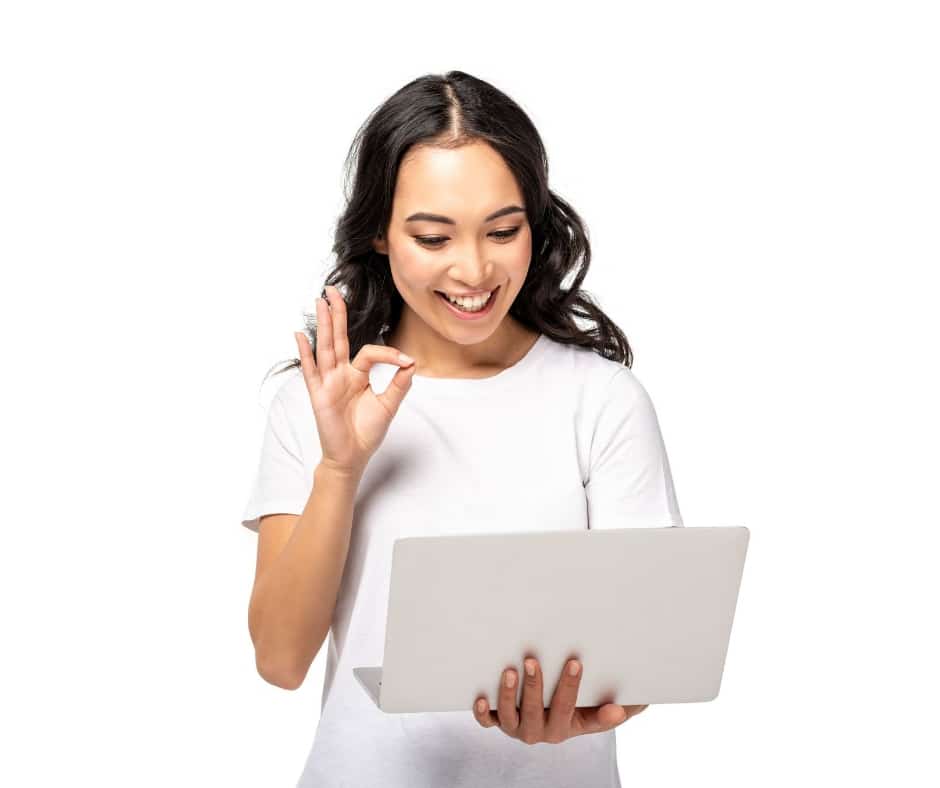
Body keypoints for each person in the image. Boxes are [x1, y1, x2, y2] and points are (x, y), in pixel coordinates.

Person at [240, 70, 684, 788]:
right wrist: (340, 468)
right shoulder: (318, 403)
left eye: (502, 231)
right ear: (380, 234)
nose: (473, 269)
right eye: (433, 236)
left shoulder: (601, 400)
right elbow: (280, 661)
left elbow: (645, 652)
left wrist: (593, 709)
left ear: (534, 226)